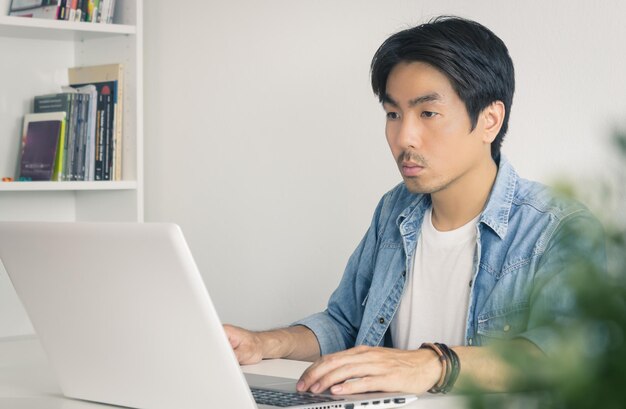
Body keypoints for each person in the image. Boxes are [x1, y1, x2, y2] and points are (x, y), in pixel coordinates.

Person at [224, 16, 605, 396]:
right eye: (393, 114)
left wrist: (432, 364)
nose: (404, 137)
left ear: (490, 120)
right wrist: (264, 343)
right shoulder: (395, 209)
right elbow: (343, 323)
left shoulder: (557, 226)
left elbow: (568, 356)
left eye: (427, 114)